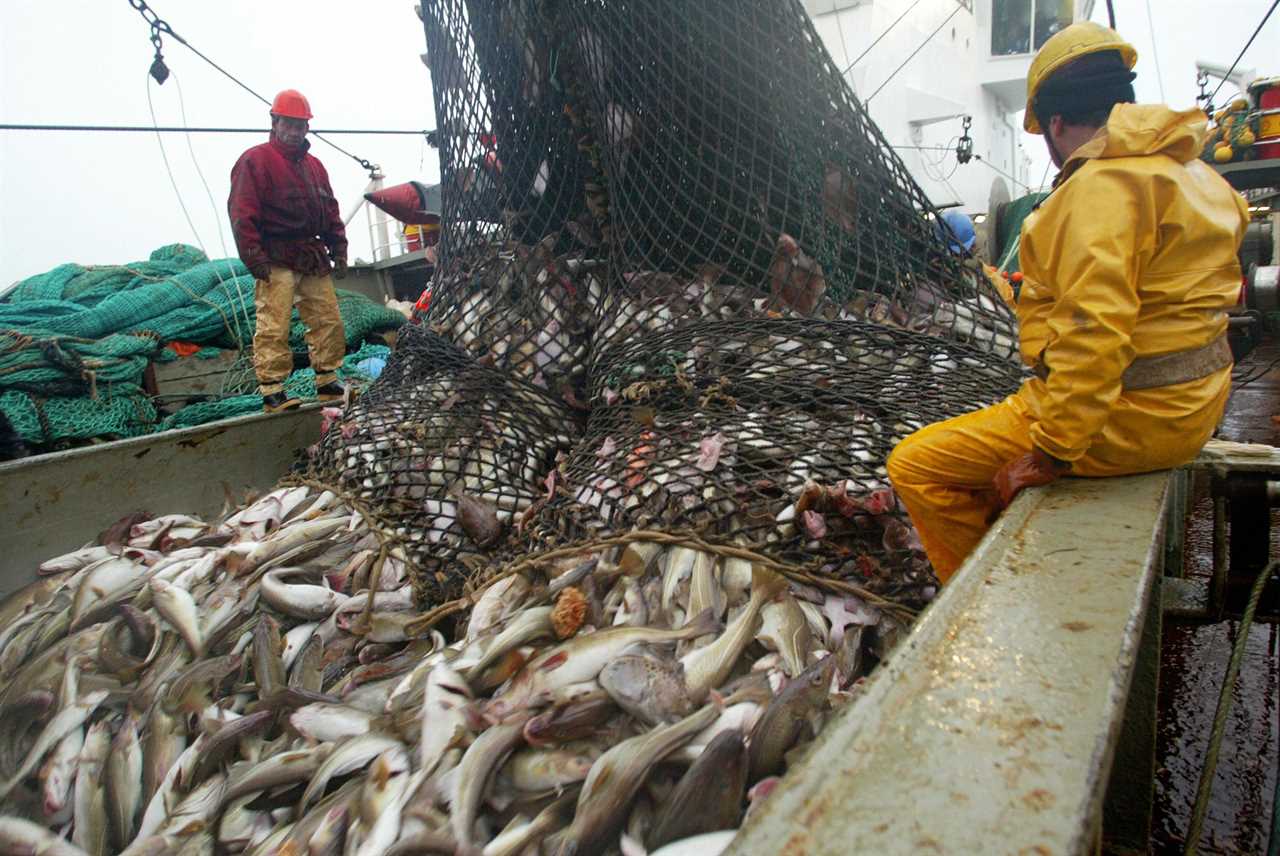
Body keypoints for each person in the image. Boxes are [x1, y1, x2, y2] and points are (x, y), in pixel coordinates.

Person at [887, 22, 1248, 583]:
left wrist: (1051, 452)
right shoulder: (1198, 177)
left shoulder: (1099, 189)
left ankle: (981, 597)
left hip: (1128, 424)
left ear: (1055, 124)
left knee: (914, 465)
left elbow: (1094, 334)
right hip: (1195, 410)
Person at [228, 89, 348, 413]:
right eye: (289, 123)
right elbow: (242, 213)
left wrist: (339, 248)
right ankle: (273, 390)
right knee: (274, 323)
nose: (294, 131)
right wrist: (254, 256)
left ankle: (327, 380)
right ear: (275, 121)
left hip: (311, 255)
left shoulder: (315, 167)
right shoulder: (255, 160)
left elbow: (330, 211)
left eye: (300, 125)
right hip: (275, 257)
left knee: (328, 319)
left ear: (307, 128)